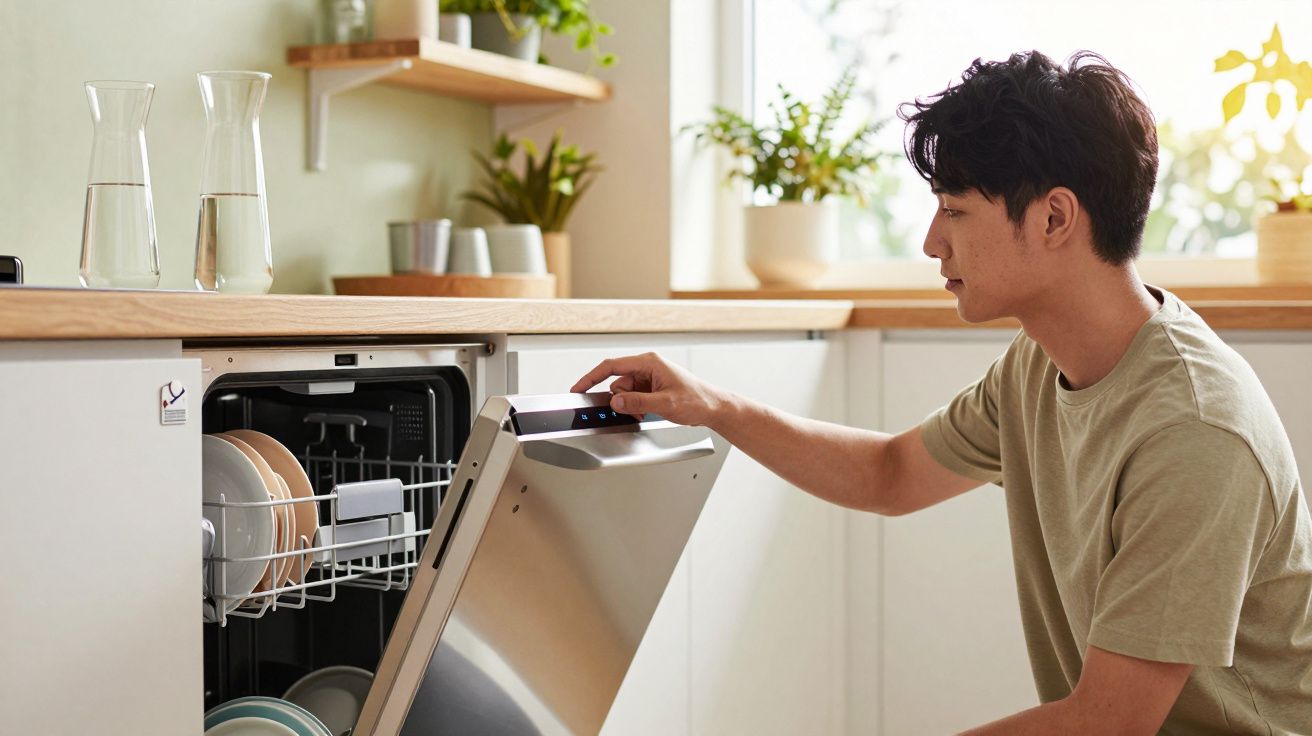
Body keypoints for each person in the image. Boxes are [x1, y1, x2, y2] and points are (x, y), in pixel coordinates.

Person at [571, 51, 1312, 735]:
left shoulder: (1195, 429)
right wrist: (711, 405)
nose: (931, 242)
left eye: (954, 210)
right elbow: (889, 474)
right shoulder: (1035, 365)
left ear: (1055, 217)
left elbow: (1105, 726)